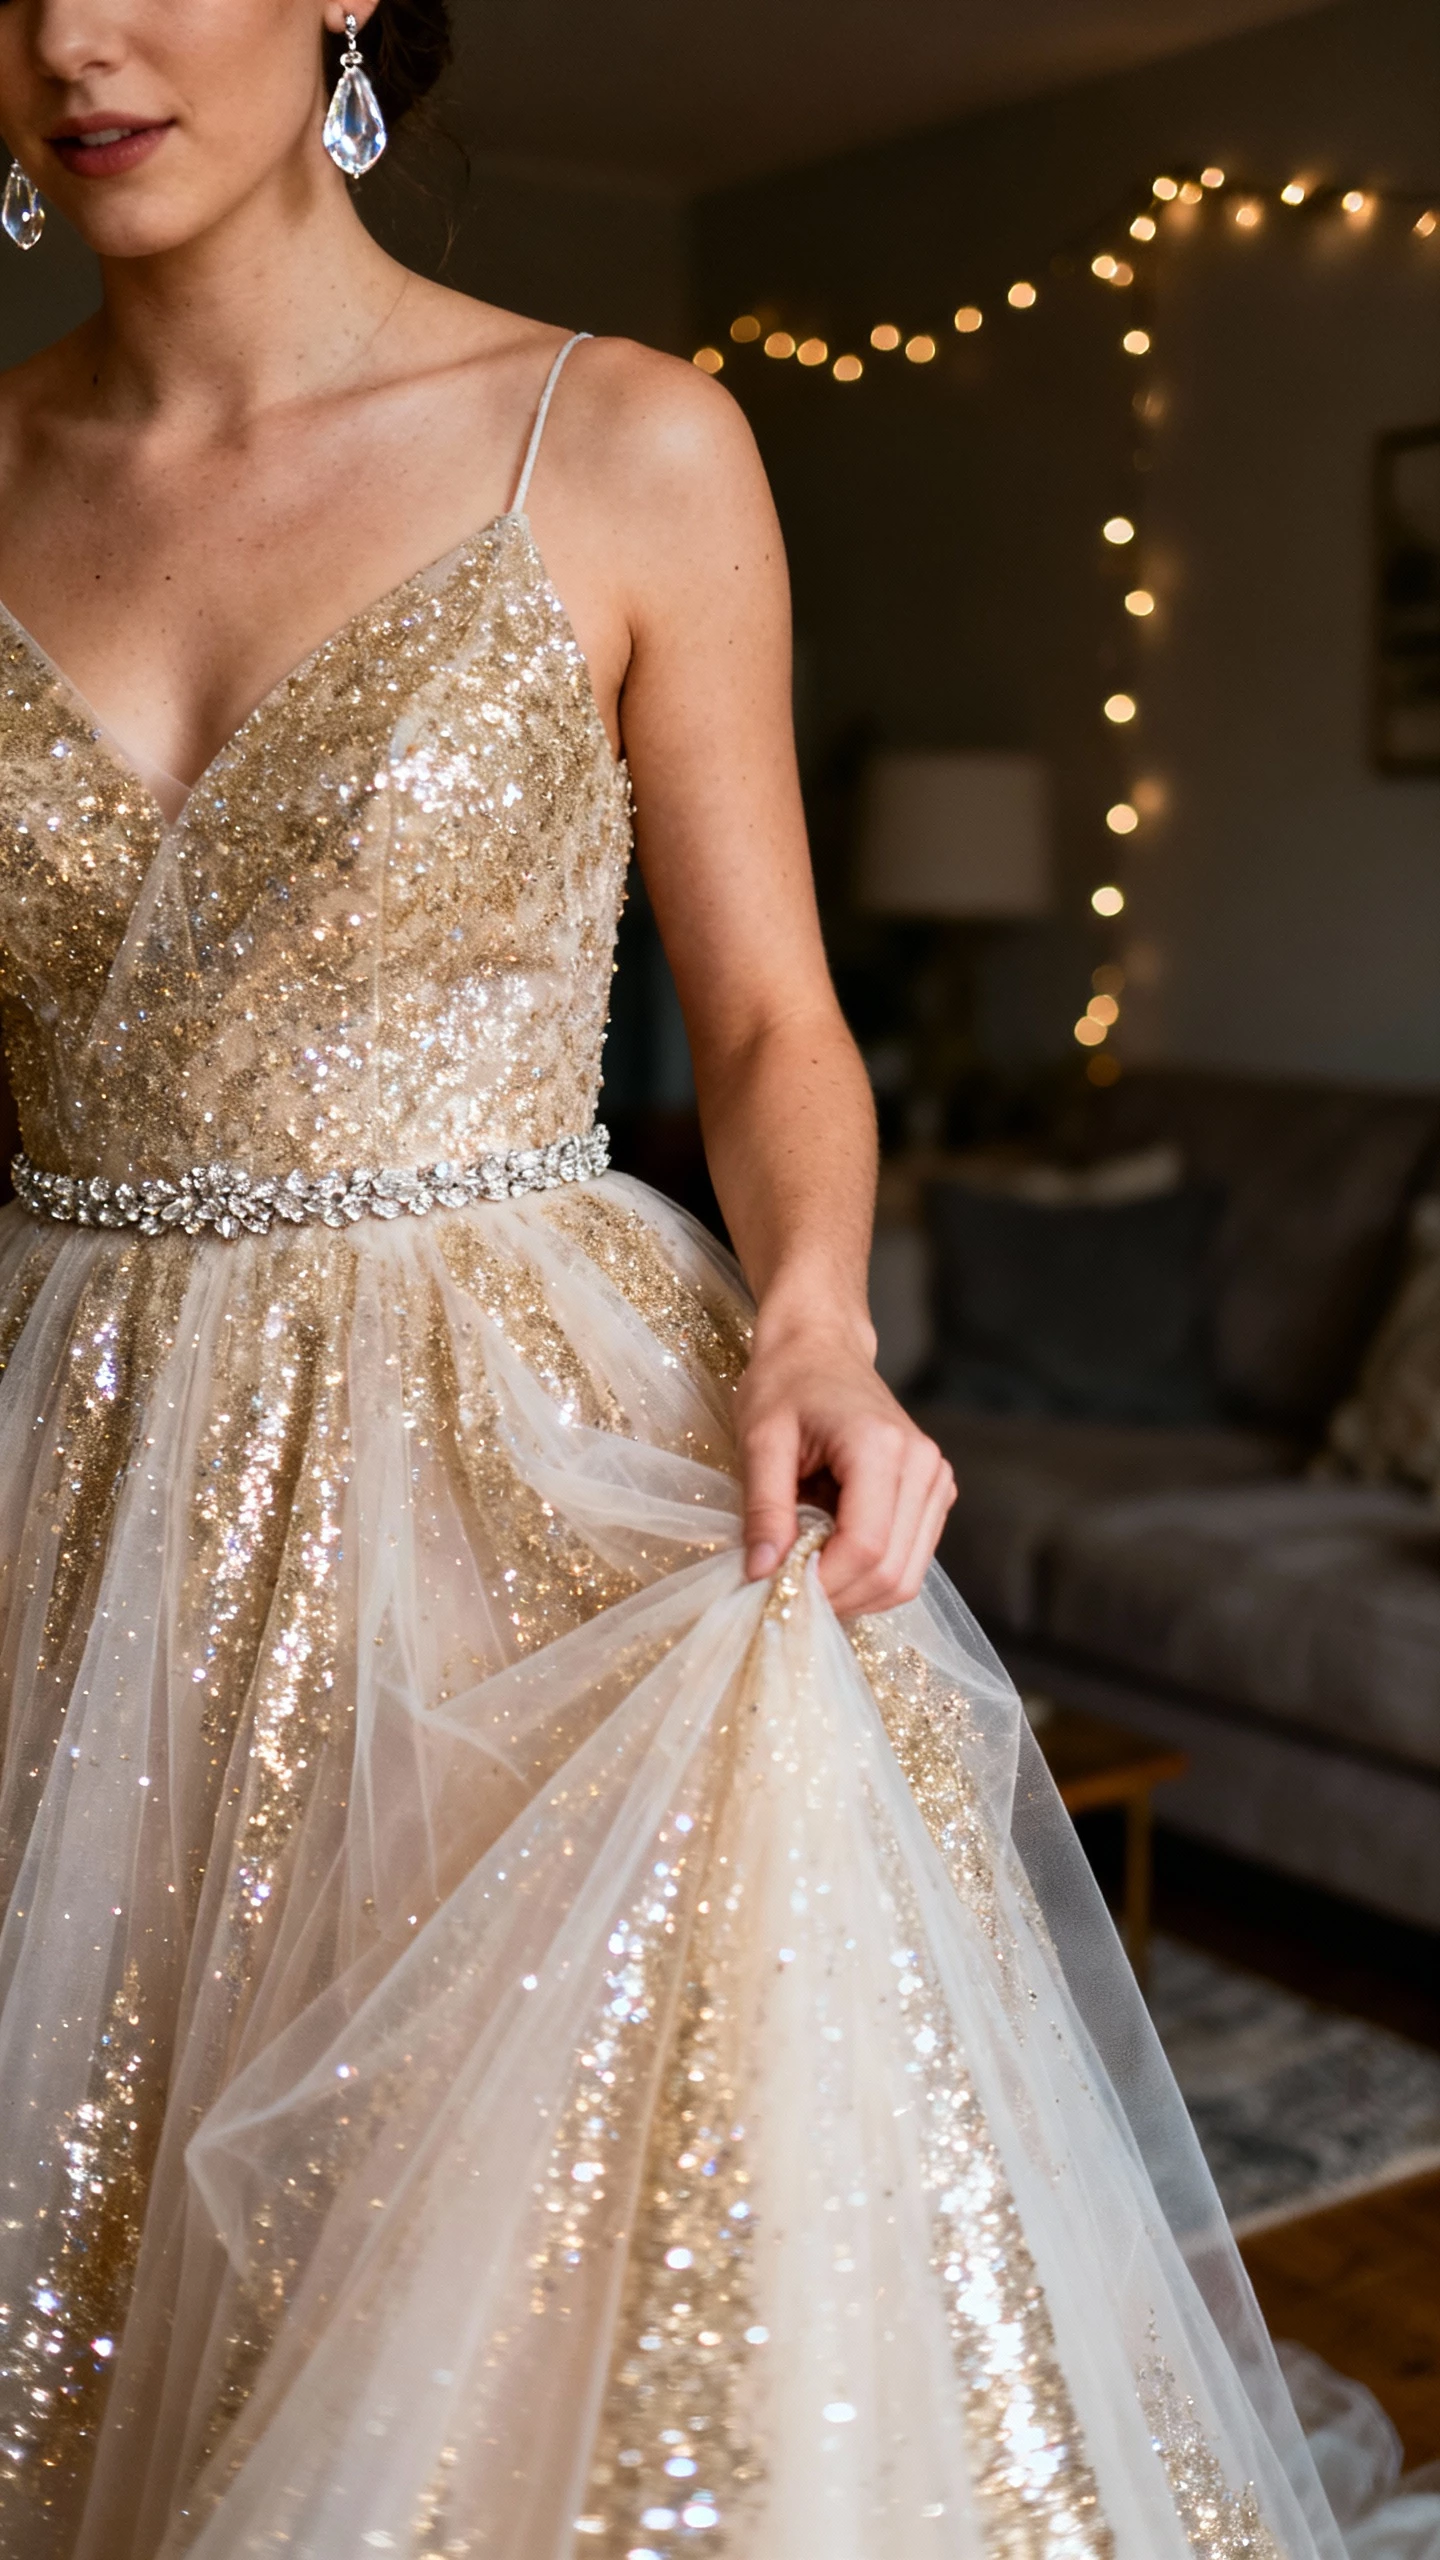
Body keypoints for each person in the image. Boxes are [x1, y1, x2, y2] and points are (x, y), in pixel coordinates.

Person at [0, 5, 1364, 2556]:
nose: (74, 31)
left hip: (510, 1471)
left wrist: (821, 1319)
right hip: (56, 1479)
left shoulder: (621, 440)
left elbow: (766, 1023)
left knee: (539, 2289)